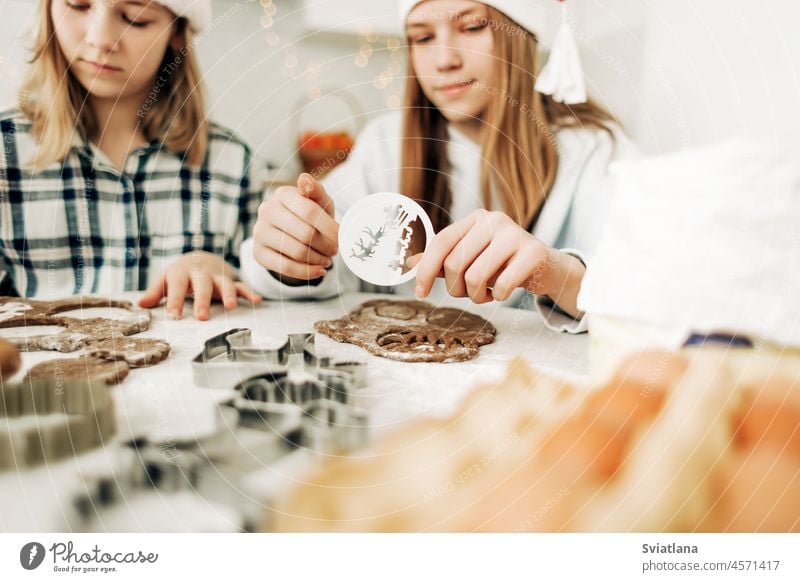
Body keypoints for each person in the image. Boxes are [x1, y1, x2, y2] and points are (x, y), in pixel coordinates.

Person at [244, 0, 637, 333]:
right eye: (423, 37)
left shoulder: (596, 152)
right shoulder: (385, 145)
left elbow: (653, 303)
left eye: (472, 27)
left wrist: (556, 272)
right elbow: (324, 273)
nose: (444, 60)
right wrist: (294, 253)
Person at [0, 0, 262, 320]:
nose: (100, 39)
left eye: (135, 19)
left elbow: (270, 292)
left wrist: (223, 272)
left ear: (177, 32)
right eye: (78, 5)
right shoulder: (5, 154)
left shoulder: (232, 164)